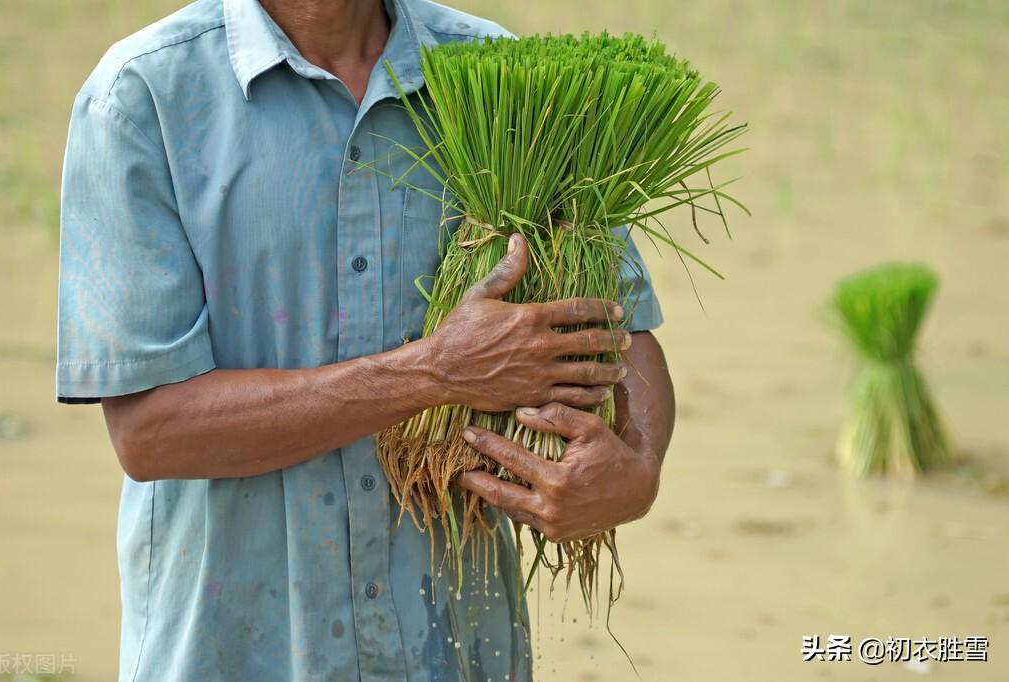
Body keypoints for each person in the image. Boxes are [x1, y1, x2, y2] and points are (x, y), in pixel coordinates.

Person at [56, 0, 675, 679]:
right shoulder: (144, 97)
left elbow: (623, 325)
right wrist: (433, 374)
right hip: (239, 648)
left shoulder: (496, 74)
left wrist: (636, 467)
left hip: (452, 647)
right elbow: (151, 433)